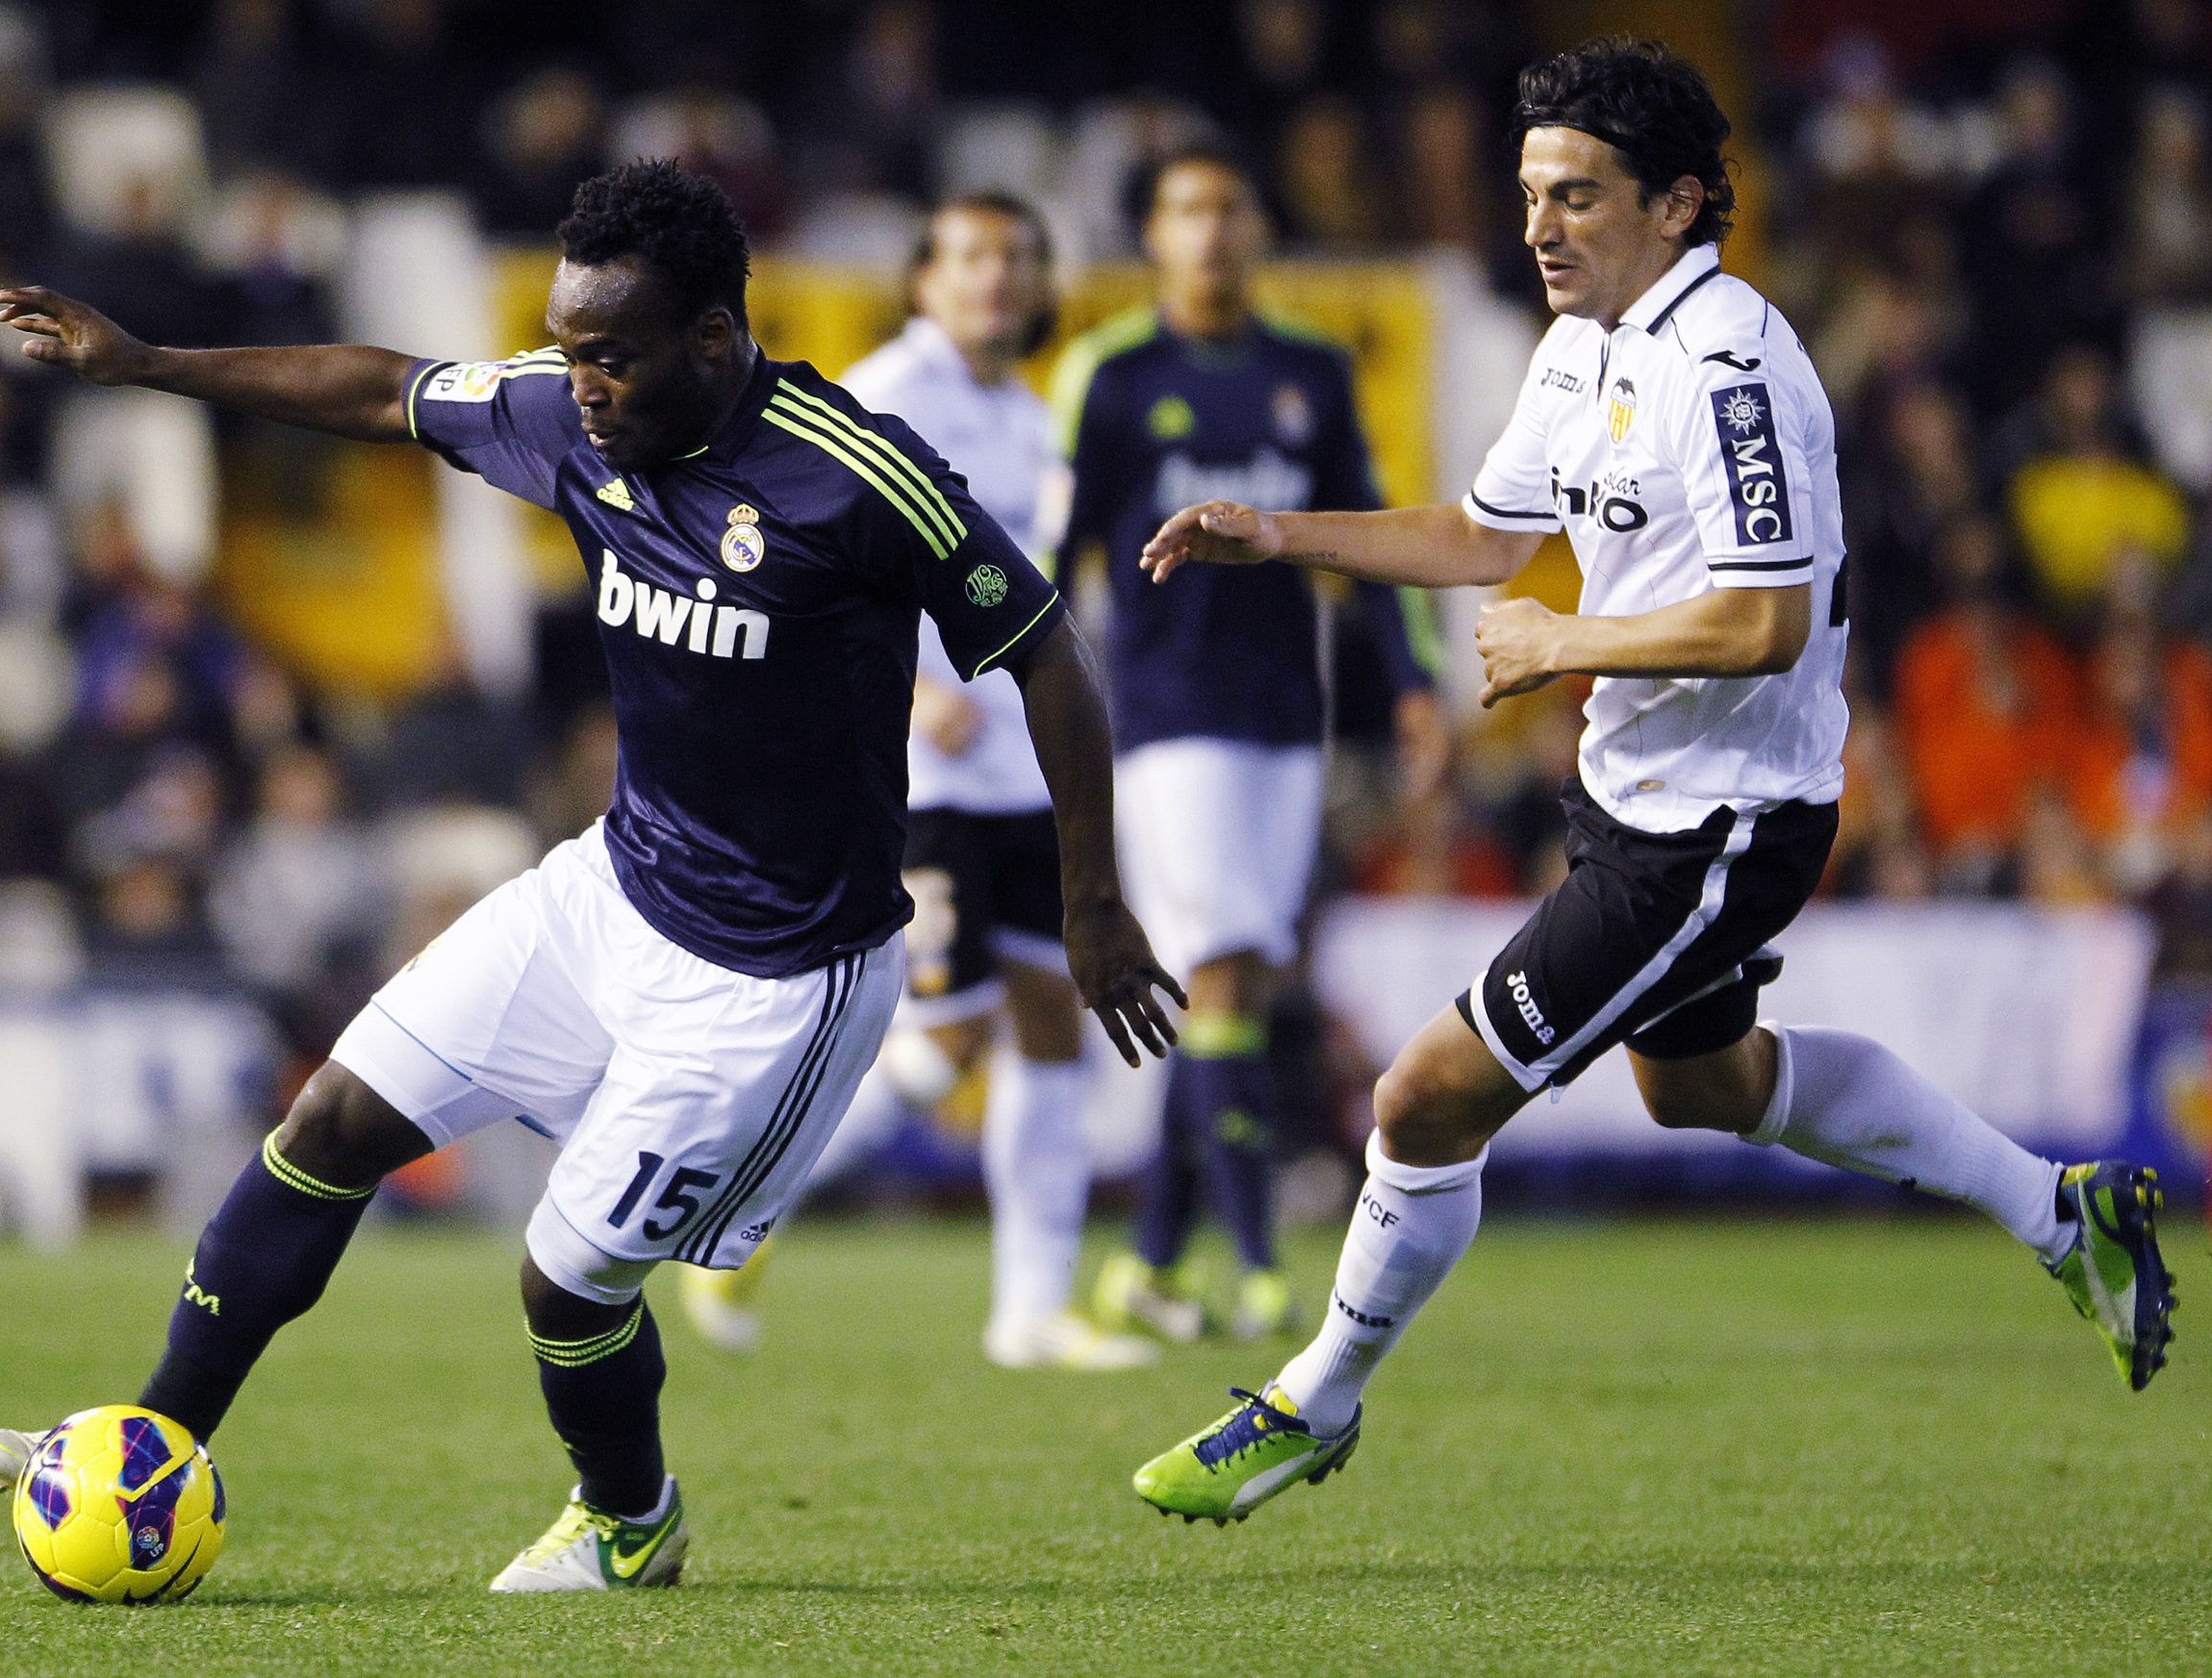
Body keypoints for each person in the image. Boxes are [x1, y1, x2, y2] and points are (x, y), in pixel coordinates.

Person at [0, 160, 1182, 1589]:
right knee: (332, 1119)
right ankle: (145, 1452)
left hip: (778, 978)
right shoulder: (567, 414)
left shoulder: (854, 474)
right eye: (567, 347)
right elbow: (383, 389)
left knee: (564, 1277)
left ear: (714, 343)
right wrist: (148, 361)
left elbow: (1047, 650)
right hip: (613, 889)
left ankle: (631, 1519)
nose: (577, 380)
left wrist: (1089, 900)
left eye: (608, 354)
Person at [1125, 39, 2176, 1526]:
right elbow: (1485, 535)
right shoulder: (1582, 348)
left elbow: (1768, 617)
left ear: (1679, 204)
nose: (1542, 226)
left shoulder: (1731, 364)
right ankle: (2062, 1210)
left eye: (1580, 196)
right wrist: (1280, 536)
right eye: (1533, 194)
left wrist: (1569, 638)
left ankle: (1312, 1401)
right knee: (1705, 1085)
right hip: (1638, 794)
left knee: (1422, 1098)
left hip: (1725, 824)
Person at [678, 192, 1154, 1372]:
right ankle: (734, 1214)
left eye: (1019, 258)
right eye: (973, 255)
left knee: (1049, 1019)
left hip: (1024, 773)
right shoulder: (881, 395)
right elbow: (805, 562)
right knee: (948, 1031)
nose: (997, 278)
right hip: (915, 771)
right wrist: (912, 689)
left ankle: (1029, 1311)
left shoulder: (1038, 417)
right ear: (924, 279)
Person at [1057, 141, 1439, 1344]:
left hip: (1288, 712)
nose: (1211, 231)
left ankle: (1152, 1266)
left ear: (1261, 228)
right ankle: (1269, 1267)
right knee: (1222, 970)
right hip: (1166, 715)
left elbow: (1364, 535)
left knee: (1238, 981)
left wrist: (1415, 680)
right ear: (1154, 237)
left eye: (1230, 207)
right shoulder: (1109, 374)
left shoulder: (1311, 374)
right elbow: (1048, 550)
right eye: (1185, 211)